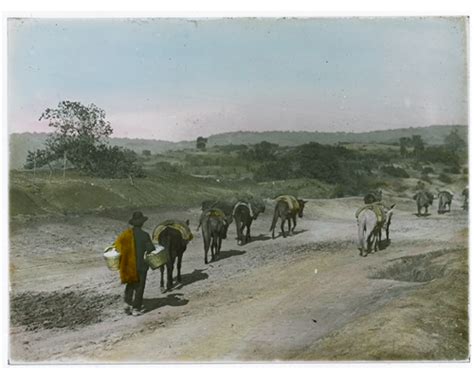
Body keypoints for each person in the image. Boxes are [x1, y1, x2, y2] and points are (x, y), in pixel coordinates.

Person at [115, 211, 155, 316]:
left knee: (130, 284)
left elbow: (117, 247)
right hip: (141, 265)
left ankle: (127, 304)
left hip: (128, 264)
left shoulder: (125, 235)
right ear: (142, 223)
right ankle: (136, 308)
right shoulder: (145, 235)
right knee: (139, 286)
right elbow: (150, 249)